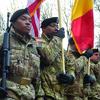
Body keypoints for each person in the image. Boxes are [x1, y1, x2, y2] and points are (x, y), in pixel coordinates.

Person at [0, 8, 41, 100]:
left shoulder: (35, 43)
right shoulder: (3, 39)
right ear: (13, 23)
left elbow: (38, 74)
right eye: (23, 19)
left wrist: (40, 95)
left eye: (30, 21)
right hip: (9, 91)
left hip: (30, 93)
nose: (28, 23)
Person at [37, 17, 69, 100]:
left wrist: (70, 77)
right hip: (46, 93)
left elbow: (69, 65)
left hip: (61, 94)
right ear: (43, 28)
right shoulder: (37, 41)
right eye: (53, 26)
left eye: (57, 26)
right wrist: (58, 38)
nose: (56, 28)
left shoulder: (60, 47)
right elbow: (48, 57)